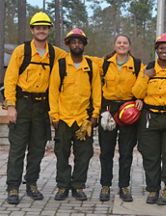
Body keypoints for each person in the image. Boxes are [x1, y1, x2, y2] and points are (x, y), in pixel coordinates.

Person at [4, 11, 66, 204]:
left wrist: (110, 61)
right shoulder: (21, 51)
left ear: (49, 30)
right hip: (22, 105)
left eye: (45, 27)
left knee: (37, 149)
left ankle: (31, 183)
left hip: (42, 107)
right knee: (17, 149)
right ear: (32, 29)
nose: (41, 30)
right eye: (38, 27)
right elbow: (10, 79)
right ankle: (13, 187)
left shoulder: (55, 53)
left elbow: (76, 58)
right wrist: (11, 106)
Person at [132, 33, 166, 205]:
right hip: (150, 118)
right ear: (156, 50)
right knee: (150, 156)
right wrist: (146, 77)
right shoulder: (147, 68)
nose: (164, 51)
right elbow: (137, 93)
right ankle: (152, 189)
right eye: (161, 48)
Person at [48, 28, 101, 201]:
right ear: (69, 44)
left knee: (84, 155)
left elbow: (97, 92)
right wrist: (54, 116)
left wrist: (95, 115)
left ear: (84, 44)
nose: (76, 44)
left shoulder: (91, 67)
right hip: (63, 119)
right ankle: (63, 186)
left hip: (83, 120)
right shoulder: (61, 65)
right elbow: (53, 92)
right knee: (61, 154)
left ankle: (78, 185)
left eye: (80, 41)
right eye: (73, 41)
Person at [98, 34, 143, 202]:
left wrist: (140, 98)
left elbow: (143, 83)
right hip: (108, 109)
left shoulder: (137, 65)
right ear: (114, 45)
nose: (122, 45)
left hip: (128, 109)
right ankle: (105, 185)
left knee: (126, 152)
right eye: (119, 42)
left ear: (129, 46)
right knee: (106, 151)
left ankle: (124, 186)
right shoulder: (104, 63)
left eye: (125, 43)